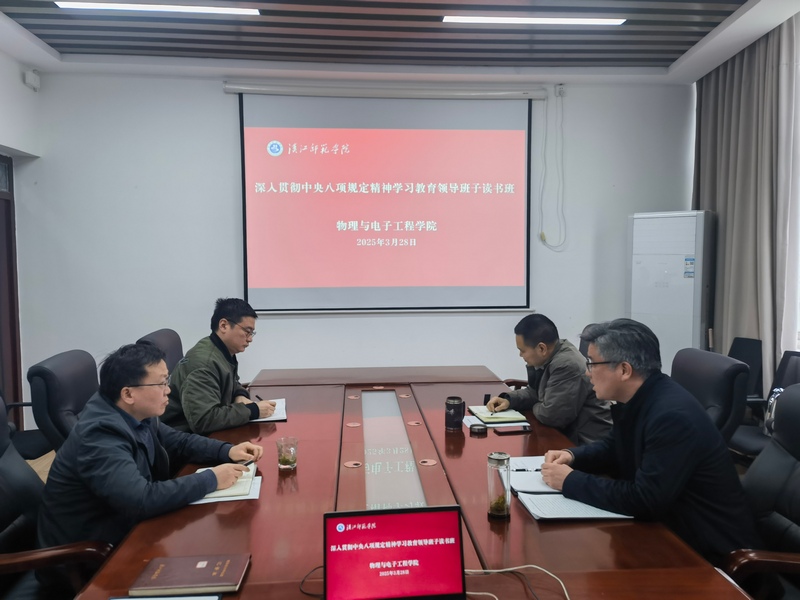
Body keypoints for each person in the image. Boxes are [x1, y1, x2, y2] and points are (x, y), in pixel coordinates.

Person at [540, 318, 761, 566]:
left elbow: (644, 500)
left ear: (624, 370)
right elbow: (614, 447)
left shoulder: (672, 417)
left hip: (709, 556)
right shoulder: (642, 397)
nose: (586, 372)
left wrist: (570, 481)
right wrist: (573, 456)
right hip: (670, 532)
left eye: (591, 363)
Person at [37, 342, 263, 553]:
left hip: (129, 528)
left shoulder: (134, 410)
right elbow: (140, 500)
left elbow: (179, 441)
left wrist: (226, 450)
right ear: (128, 393)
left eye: (167, 380)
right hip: (92, 556)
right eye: (161, 383)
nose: (168, 390)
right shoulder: (99, 434)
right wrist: (211, 479)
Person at [486, 314, 612, 444]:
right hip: (565, 434)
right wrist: (509, 400)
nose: (520, 355)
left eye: (522, 351)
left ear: (542, 348)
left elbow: (552, 416)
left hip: (586, 443)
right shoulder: (549, 356)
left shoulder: (566, 364)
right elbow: (535, 392)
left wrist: (537, 403)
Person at [163, 298, 275, 434]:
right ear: (223, 325)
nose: (250, 339)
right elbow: (204, 421)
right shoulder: (203, 364)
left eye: (252, 333)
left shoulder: (221, 350)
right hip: (183, 436)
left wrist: (239, 394)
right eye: (247, 331)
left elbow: (230, 382)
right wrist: (253, 411)